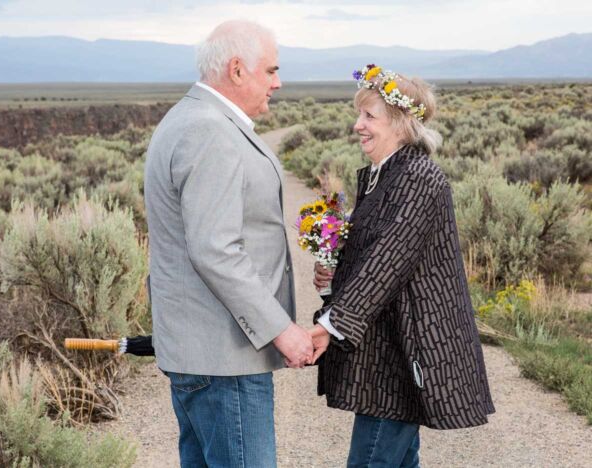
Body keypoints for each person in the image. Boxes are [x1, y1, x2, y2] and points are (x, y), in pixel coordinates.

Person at [144, 20, 314, 468]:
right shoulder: (209, 131)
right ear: (237, 70)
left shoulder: (196, 118)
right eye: (271, 70)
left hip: (205, 355)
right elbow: (215, 250)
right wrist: (281, 328)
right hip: (225, 360)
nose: (278, 83)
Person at [310, 65, 495, 467]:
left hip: (402, 351)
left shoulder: (419, 178)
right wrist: (332, 282)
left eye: (369, 116)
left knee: (372, 461)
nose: (358, 125)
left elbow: (387, 261)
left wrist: (329, 326)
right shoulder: (380, 177)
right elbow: (372, 259)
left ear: (401, 123)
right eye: (359, 115)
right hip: (385, 352)